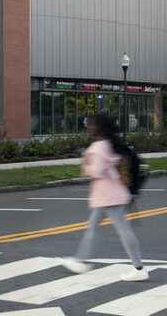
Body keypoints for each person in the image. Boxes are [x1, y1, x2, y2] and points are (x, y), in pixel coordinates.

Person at [62, 111, 144, 280]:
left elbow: (97, 172)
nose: (89, 127)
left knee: (122, 229)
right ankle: (80, 260)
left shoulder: (99, 147)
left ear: (99, 128)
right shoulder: (110, 144)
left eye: (92, 124)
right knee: (94, 226)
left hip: (108, 196)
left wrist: (86, 163)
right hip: (111, 194)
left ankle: (139, 268)